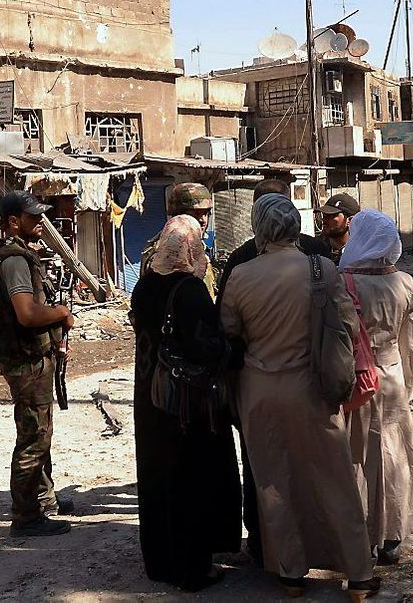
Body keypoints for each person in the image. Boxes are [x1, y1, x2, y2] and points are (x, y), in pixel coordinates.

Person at [220, 194, 380, 601]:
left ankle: (291, 572)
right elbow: (347, 323)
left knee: (274, 482)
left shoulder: (239, 275)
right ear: (295, 226)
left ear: (258, 227)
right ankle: (359, 574)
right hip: (312, 389)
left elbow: (230, 333)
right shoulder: (321, 269)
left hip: (259, 392)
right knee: (335, 479)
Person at [215, 178, 330, 566]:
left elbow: (227, 331)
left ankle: (270, 550)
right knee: (318, 466)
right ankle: (324, 548)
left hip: (259, 384)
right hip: (315, 383)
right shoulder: (318, 256)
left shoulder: (240, 263)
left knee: (264, 469)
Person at [130, 215, 243, 592]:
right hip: (185, 404)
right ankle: (194, 569)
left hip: (150, 398)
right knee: (191, 479)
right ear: (191, 248)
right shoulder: (190, 290)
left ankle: (160, 562)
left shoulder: (144, 286)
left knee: (157, 479)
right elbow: (205, 346)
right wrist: (238, 351)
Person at [0, 190, 76, 537]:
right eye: (33, 217)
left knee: (39, 432)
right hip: (27, 361)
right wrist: (61, 314)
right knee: (34, 437)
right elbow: (28, 314)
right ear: (14, 221)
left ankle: (44, 500)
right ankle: (26, 516)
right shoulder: (15, 261)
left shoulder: (18, 256)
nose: (40, 222)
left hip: (32, 357)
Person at [339, 210, 413, 565]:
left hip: (353, 379)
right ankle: (391, 536)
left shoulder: (340, 282)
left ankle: (357, 534)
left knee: (354, 455)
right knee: (392, 454)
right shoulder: (404, 282)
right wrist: (406, 380)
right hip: (391, 377)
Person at [140, 182, 217, 296]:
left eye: (206, 213)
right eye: (196, 214)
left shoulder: (199, 248)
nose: (203, 220)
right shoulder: (164, 254)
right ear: (178, 215)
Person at [319, 193, 360, 265]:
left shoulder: (361, 253)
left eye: (331, 215)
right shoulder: (315, 247)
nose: (324, 219)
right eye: (324, 215)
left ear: (350, 220)